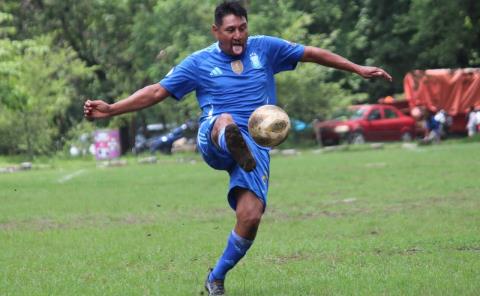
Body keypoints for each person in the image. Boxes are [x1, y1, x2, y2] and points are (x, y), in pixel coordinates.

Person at [83, 2, 392, 295]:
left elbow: (311, 53)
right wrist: (112, 109)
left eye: (242, 28)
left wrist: (357, 68)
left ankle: (215, 278)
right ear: (215, 31)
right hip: (214, 136)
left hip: (255, 146)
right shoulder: (198, 63)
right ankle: (231, 137)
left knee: (251, 216)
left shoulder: (266, 48)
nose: (238, 35)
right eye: (230, 30)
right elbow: (156, 91)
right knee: (226, 121)